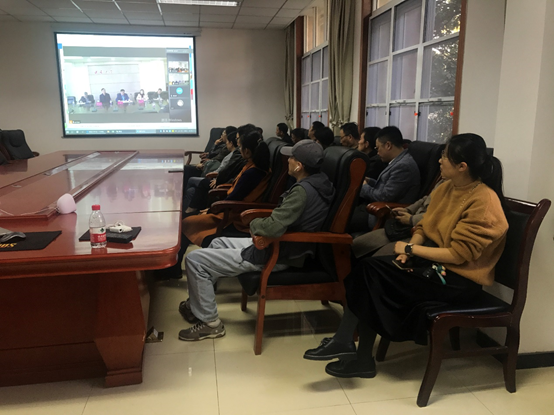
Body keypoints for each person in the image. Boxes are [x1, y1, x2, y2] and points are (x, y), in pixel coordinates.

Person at [303, 133, 509, 379]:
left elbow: (459, 255)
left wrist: (410, 250)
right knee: (368, 270)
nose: (440, 160)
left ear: (462, 166)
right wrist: (411, 246)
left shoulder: (483, 201)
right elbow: (424, 226)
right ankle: (351, 347)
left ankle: (353, 350)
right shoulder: (447, 187)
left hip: (458, 281)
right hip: (436, 266)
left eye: (445, 156)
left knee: (371, 274)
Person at [178, 140, 335, 341]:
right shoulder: (322, 182)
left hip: (279, 253)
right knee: (218, 243)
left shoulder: (302, 192)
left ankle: (211, 324)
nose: (287, 160)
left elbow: (273, 227)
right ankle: (197, 304)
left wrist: (254, 224)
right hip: (284, 246)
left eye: (292, 158)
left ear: (299, 166)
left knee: (195, 260)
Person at [182, 130, 272, 249]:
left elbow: (235, 197)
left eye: (241, 147)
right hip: (233, 209)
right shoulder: (256, 167)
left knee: (186, 222)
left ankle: (175, 260)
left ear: (247, 151)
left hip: (236, 216)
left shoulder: (253, 172)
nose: (239, 149)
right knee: (188, 219)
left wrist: (212, 209)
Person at [349, 126, 420, 232]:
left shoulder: (404, 166)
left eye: (378, 148)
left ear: (388, 145)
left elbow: (384, 197)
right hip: (372, 208)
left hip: (383, 215)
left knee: (339, 221)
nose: (377, 153)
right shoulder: (398, 161)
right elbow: (385, 187)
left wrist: (364, 187)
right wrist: (369, 181)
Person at [351, 180, 445, 259]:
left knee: (375, 260)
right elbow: (425, 199)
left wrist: (412, 219)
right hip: (404, 227)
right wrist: (408, 210)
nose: (440, 163)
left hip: (423, 234)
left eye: (444, 161)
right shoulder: (443, 181)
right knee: (355, 246)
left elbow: (439, 217)